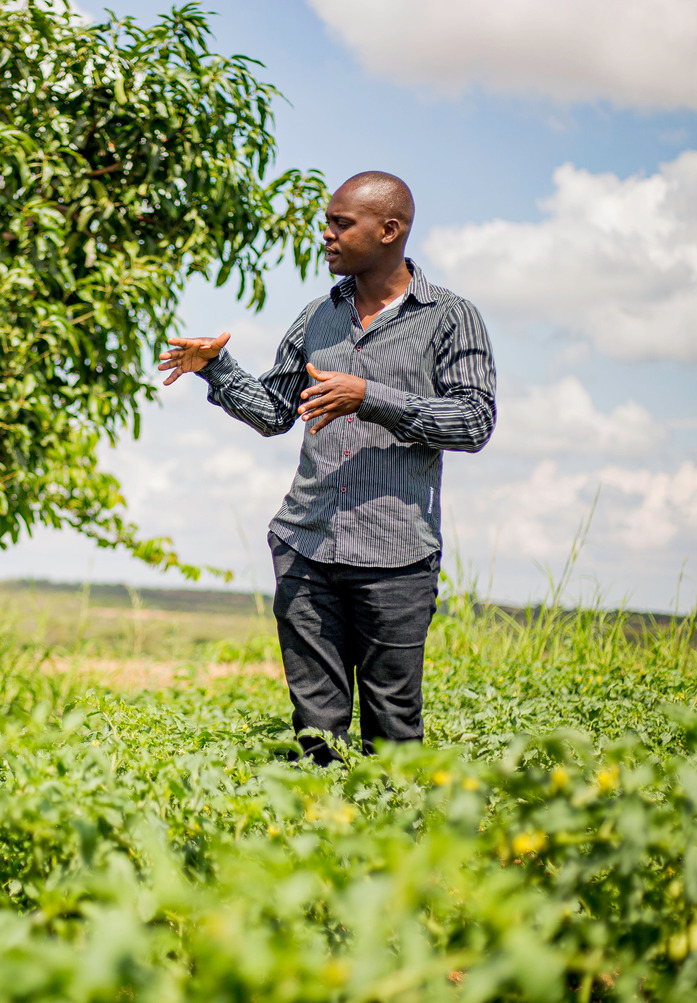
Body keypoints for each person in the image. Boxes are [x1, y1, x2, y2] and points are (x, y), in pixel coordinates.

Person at [158, 172, 496, 766]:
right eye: (328, 222)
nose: (326, 235)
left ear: (389, 231)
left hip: (396, 559)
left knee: (393, 733)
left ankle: (394, 854)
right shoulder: (318, 316)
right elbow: (272, 413)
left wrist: (372, 396)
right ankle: (318, 848)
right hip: (305, 548)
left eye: (341, 223)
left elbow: (473, 422)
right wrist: (216, 367)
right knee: (316, 735)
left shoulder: (450, 318)